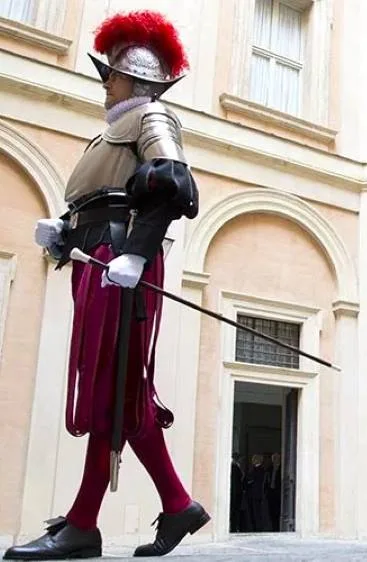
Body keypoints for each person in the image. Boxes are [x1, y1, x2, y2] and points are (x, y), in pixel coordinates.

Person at [6, 11, 207, 560]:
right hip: (96, 258)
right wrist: (63, 233)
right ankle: (178, 503)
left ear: (138, 82)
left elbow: (169, 186)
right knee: (117, 389)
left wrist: (138, 256)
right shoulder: (109, 132)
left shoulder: (151, 116)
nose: (106, 82)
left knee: (111, 387)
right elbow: (102, 197)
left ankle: (83, 522)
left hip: (121, 261)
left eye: (113, 75)